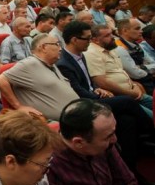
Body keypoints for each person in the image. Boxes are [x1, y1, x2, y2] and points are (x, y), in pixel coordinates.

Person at [56, 20, 155, 176]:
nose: (90, 41)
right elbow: (78, 92)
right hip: (85, 103)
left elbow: (89, 83)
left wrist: (98, 89)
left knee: (127, 121)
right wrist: (96, 93)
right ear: (74, 40)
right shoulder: (64, 63)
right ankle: (151, 131)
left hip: (94, 95)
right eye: (87, 38)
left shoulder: (80, 55)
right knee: (127, 101)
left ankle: (130, 170)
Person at [0, 33, 78, 121]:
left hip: (76, 115)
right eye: (57, 44)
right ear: (43, 47)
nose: (60, 48)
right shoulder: (29, 64)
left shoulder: (51, 64)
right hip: (56, 122)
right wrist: (18, 106)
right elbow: (0, 80)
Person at [84, 24, 153, 118]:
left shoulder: (110, 48)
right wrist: (129, 93)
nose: (113, 37)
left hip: (133, 91)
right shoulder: (91, 53)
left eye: (111, 34)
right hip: (120, 97)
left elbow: (121, 71)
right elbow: (102, 82)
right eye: (107, 35)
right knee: (152, 118)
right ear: (95, 40)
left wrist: (134, 85)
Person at [115, 19, 155, 91]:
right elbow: (135, 73)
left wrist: (142, 67)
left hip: (147, 79)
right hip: (138, 83)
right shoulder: (119, 48)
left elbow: (151, 62)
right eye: (137, 29)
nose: (141, 31)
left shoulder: (136, 44)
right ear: (125, 31)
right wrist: (150, 72)